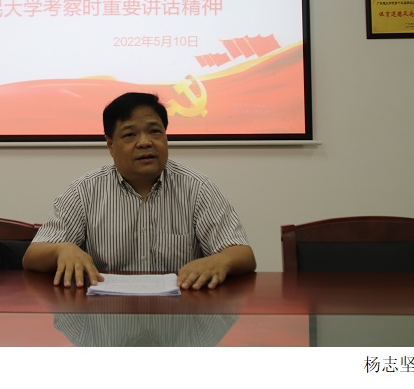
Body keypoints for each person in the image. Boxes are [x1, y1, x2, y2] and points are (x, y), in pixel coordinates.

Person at [22, 92, 256, 289]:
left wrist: (220, 261)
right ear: (110, 145)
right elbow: (32, 256)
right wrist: (62, 249)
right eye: (130, 134)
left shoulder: (197, 188)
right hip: (106, 317)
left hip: (181, 314)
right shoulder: (84, 191)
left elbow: (243, 254)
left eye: (155, 131)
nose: (145, 142)